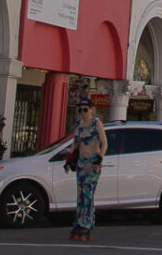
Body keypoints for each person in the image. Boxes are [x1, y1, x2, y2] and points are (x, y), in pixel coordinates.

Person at [69, 98, 108, 242]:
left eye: (85, 109)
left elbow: (104, 143)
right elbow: (75, 143)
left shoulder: (96, 124)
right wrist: (70, 159)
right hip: (81, 162)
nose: (83, 112)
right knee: (80, 193)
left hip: (92, 163)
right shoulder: (78, 125)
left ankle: (86, 222)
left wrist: (100, 158)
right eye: (80, 110)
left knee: (88, 192)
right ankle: (79, 221)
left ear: (91, 110)